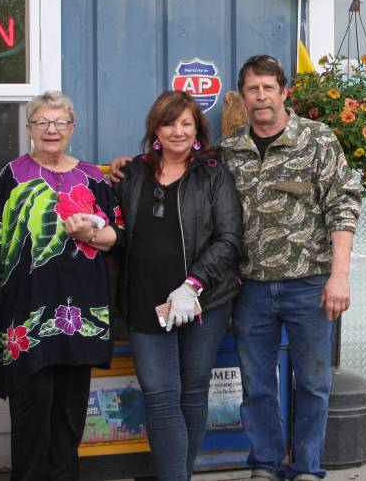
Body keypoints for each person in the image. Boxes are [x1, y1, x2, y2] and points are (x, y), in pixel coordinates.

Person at [0, 91, 122, 481]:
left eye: (60, 123)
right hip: (26, 316)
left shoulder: (93, 177)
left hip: (79, 313)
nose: (51, 130)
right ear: (29, 128)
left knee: (69, 420)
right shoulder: (12, 175)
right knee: (32, 412)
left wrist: (91, 232)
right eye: (42, 122)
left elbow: (117, 238)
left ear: (72, 128)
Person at [222, 55, 361, 481]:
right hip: (252, 289)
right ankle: (264, 464)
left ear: (284, 92)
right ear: (242, 97)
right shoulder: (230, 151)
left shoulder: (318, 140)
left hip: (311, 284)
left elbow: (344, 207)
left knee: (313, 383)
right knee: (256, 384)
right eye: (252, 89)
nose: (260, 96)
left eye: (268, 87)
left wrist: (340, 276)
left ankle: (306, 467)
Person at [112, 91, 243, 481]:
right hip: (144, 299)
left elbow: (230, 238)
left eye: (187, 123)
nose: (178, 131)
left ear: (198, 131)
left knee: (191, 391)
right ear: (156, 128)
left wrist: (193, 284)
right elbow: (114, 230)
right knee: (159, 395)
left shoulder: (213, 173)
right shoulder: (132, 173)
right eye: (170, 123)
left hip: (204, 301)